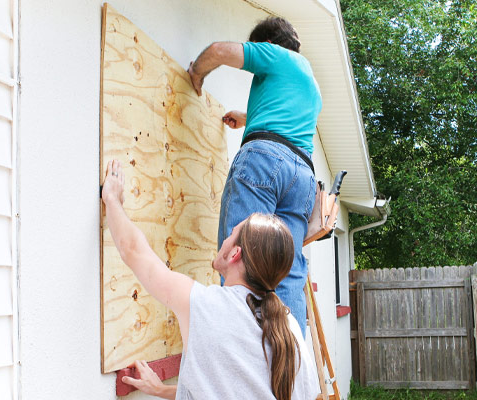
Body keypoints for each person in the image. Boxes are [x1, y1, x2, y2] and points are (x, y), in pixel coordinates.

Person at [102, 160, 318, 399]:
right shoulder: (289, 328)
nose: (225, 238)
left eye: (232, 233)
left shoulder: (205, 306)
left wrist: (112, 199)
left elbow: (133, 251)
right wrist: (162, 390)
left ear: (235, 253)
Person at [187, 17, 322, 335]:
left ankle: (240, 355)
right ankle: (286, 368)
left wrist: (196, 73)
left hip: (265, 163)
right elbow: (286, 123)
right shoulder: (310, 83)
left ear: (268, 44)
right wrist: (248, 118)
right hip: (302, 176)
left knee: (240, 255)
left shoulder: (276, 55)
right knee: (284, 266)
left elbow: (220, 51)